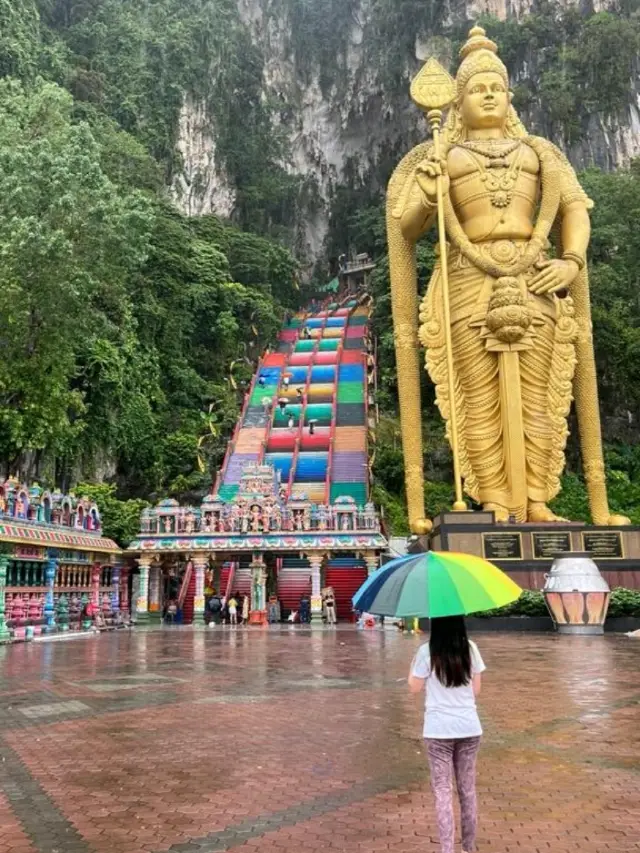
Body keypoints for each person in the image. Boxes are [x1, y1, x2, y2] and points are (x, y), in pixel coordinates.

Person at [408, 616, 486, 853]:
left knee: (443, 790)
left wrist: (413, 666)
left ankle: (447, 850)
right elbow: (476, 689)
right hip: (469, 728)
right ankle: (469, 848)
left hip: (438, 730)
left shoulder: (426, 652)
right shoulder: (470, 648)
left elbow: (414, 687)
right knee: (467, 790)